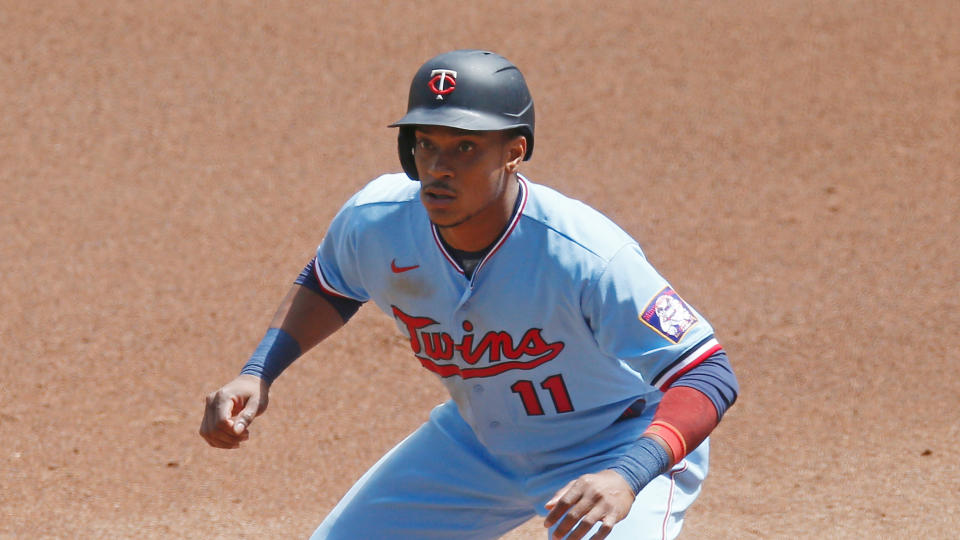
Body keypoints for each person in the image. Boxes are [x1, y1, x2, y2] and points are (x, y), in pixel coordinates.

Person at [200, 49, 739, 540]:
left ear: (514, 151)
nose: (439, 168)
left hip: (613, 446)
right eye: (426, 145)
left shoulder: (586, 255)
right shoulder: (377, 222)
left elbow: (707, 371)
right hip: (481, 443)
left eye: (465, 147)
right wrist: (257, 370)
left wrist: (628, 474)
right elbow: (328, 284)